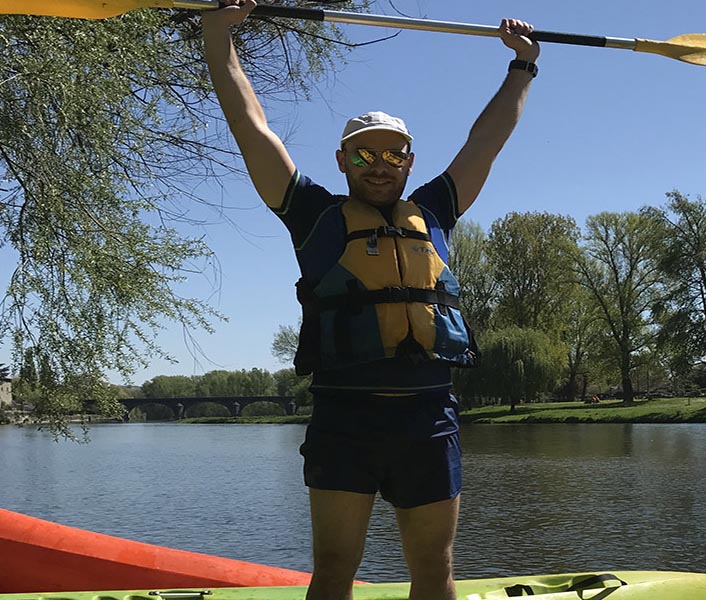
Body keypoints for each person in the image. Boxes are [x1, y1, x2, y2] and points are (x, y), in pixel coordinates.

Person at [201, 3, 539, 600]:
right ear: (341, 160)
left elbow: (487, 140)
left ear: (409, 160)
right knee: (333, 571)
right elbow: (251, 125)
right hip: (345, 423)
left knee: (434, 571)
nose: (379, 166)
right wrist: (218, 36)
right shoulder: (313, 215)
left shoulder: (434, 210)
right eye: (363, 154)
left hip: (428, 421)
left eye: (392, 154)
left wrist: (523, 67)